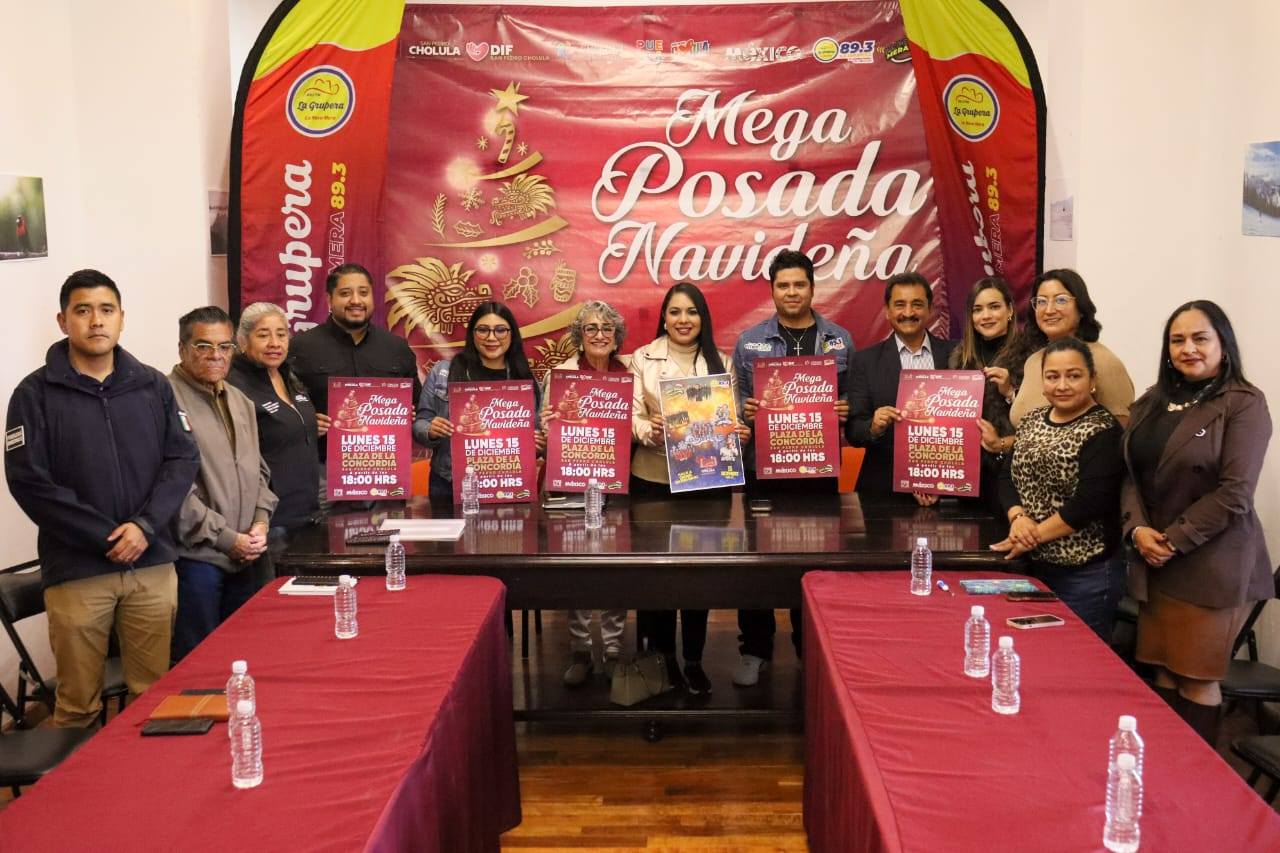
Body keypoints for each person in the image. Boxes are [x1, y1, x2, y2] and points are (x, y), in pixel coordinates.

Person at [4, 269, 199, 726]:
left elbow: (182, 461)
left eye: (106, 310)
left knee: (154, 699)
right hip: (77, 571)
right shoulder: (33, 394)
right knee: (76, 708)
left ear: (122, 319)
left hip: (150, 564)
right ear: (63, 320)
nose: (96, 321)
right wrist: (105, 536)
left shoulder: (153, 386)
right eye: (83, 310)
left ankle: (145, 793)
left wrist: (145, 527)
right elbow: (29, 481)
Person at [1121, 301, 1272, 744]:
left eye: (1200, 338)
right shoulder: (1152, 400)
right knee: (1164, 674)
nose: (1188, 348)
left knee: (1195, 678)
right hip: (1155, 560)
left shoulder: (1243, 403)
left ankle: (1198, 782)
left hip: (1210, 561)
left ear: (1223, 344)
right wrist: (1136, 530)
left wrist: (1170, 539)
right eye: (1177, 340)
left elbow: (1235, 492)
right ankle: (1167, 773)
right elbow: (1130, 473)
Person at [731, 249, 854, 686]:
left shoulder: (839, 340)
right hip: (765, 466)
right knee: (758, 559)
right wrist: (745, 411)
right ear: (772, 290)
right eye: (783, 285)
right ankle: (755, 648)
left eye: (799, 284)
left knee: (815, 557)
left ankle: (811, 646)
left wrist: (844, 408)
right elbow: (738, 407)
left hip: (818, 468)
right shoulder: (749, 342)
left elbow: (852, 400)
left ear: (812, 287)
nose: (791, 292)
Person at [631, 282, 751, 696]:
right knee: (655, 580)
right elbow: (629, 415)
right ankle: (660, 665)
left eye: (692, 312)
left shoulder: (724, 362)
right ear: (664, 317)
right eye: (676, 312)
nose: (684, 320)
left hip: (706, 483)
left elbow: (730, 419)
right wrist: (648, 430)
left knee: (699, 575)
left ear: (704, 318)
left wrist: (739, 433)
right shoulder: (641, 359)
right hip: (653, 483)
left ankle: (695, 660)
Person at [993, 338, 1126, 639]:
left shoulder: (1103, 430)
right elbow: (1007, 477)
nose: (1062, 384)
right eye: (1053, 376)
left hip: (1085, 574)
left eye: (1074, 375)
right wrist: (1017, 518)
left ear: (1092, 380)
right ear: (1042, 382)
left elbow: (1090, 503)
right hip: (1033, 568)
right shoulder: (1031, 421)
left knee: (1080, 664)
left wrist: (1031, 536)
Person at [168, 307, 278, 660]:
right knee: (198, 667)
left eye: (225, 346)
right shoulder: (163, 401)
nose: (216, 355)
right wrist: (228, 540)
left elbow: (259, 471)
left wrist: (261, 520)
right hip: (198, 560)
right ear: (182, 348)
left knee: (247, 660)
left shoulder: (240, 401)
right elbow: (173, 491)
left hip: (248, 557)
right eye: (203, 346)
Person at [541, 300, 631, 687]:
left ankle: (611, 648)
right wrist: (546, 427)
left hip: (618, 482)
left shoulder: (631, 374)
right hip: (572, 482)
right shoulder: (558, 375)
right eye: (591, 328)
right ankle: (579, 648)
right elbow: (545, 437)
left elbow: (641, 420)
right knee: (575, 565)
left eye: (606, 329)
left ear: (616, 337)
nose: (598, 335)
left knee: (617, 568)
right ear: (579, 336)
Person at [288, 262, 420, 478]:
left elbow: (419, 406)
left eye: (364, 293)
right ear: (330, 299)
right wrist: (305, 420)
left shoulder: (397, 348)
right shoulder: (301, 348)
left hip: (385, 470)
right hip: (321, 472)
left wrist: (411, 415)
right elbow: (283, 407)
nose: (356, 301)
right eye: (345, 293)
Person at [414, 301, 543, 503]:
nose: (491, 337)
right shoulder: (443, 372)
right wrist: (430, 429)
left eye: (500, 330)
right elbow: (420, 423)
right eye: (483, 330)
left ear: (512, 334)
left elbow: (535, 435)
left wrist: (538, 445)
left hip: (506, 484)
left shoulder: (526, 381)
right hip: (449, 483)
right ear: (472, 334)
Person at [845, 271, 957, 501]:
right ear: (888, 311)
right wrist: (873, 426)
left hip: (947, 489)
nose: (908, 313)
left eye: (917, 304)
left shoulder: (957, 355)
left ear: (929, 310)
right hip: (883, 492)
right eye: (900, 305)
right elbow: (853, 431)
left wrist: (938, 483)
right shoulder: (865, 361)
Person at [227, 302, 321, 563]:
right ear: (243, 341)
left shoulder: (289, 376)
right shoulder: (234, 384)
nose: (274, 342)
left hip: (309, 513)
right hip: (268, 521)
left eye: (281, 334)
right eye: (263, 334)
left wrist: (310, 425)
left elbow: (286, 427)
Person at [1010, 269, 1134, 426]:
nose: (1049, 310)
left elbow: (1121, 432)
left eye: (1060, 300)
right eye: (1041, 301)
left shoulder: (1103, 360)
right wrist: (999, 443)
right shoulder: (1033, 361)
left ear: (1081, 308)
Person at [948, 276, 1028, 507]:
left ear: (1010, 310)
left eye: (994, 307)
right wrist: (932, 481)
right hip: (967, 479)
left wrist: (1010, 392)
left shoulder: (1032, 356)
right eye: (978, 309)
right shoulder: (958, 359)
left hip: (1015, 477)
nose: (986, 316)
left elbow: (1043, 426)